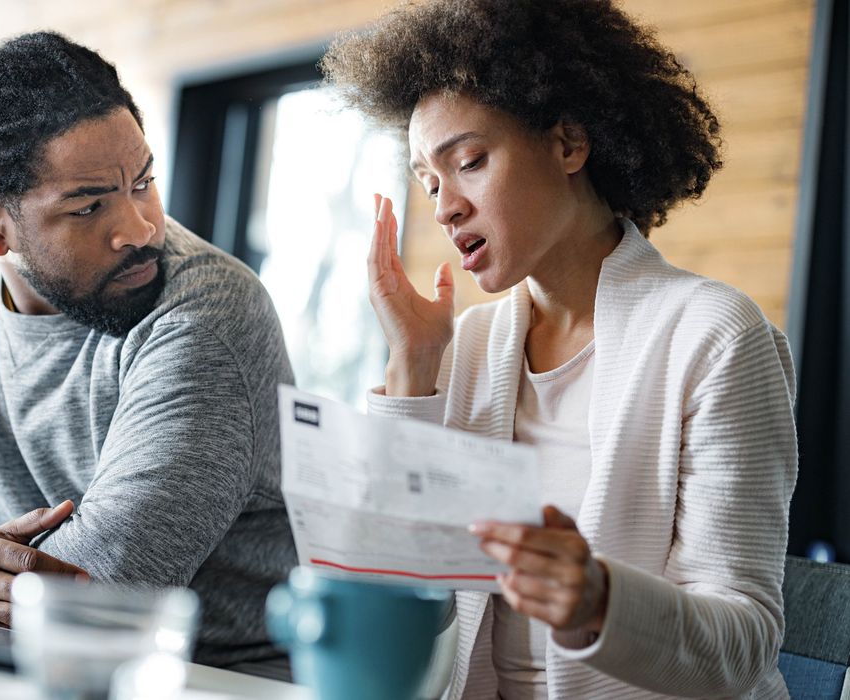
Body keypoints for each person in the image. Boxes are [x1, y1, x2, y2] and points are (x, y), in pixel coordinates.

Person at [322, 0, 798, 697]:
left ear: (568, 144)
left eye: (469, 162)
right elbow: (384, 595)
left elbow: (744, 643)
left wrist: (598, 603)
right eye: (429, 182)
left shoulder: (716, 335)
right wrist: (411, 369)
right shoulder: (466, 346)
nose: (445, 205)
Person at [0, 32, 297, 674]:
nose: (141, 228)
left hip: (223, 677)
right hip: (29, 662)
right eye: (90, 205)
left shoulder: (206, 310)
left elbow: (94, 587)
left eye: (144, 183)